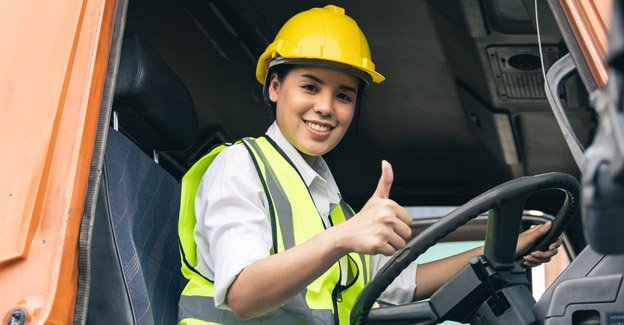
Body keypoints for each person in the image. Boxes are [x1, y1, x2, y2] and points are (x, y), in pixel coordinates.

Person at [176, 5, 561, 324]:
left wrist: (506, 250)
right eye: (310, 87)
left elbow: (405, 283)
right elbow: (243, 293)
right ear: (275, 87)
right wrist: (344, 238)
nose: (326, 107)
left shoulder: (333, 206)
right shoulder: (239, 166)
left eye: (344, 95)